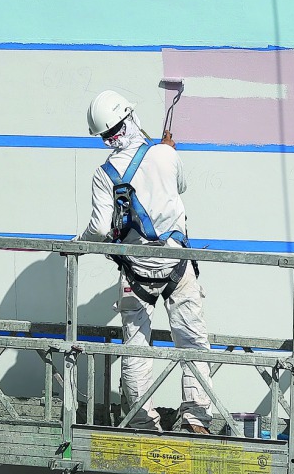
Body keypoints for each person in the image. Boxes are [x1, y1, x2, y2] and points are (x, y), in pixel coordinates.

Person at [78, 89, 213, 434]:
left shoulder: (105, 173)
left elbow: (97, 227)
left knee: (136, 345)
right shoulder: (164, 155)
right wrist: (166, 150)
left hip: (136, 272)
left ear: (106, 136)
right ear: (132, 116)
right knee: (192, 340)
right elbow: (179, 187)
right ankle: (196, 419)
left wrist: (78, 243)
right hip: (178, 267)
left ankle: (140, 420)